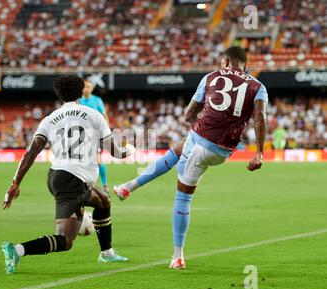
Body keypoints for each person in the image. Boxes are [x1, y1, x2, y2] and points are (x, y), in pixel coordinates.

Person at [114, 46, 268, 269]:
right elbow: (260, 117)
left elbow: (188, 114)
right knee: (177, 149)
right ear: (245, 63)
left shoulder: (211, 77)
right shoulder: (258, 86)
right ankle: (128, 187)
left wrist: (201, 122)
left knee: (183, 196)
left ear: (225, 61)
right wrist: (259, 152)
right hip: (223, 150)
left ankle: (178, 256)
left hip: (200, 144)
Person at [1, 75, 133, 275]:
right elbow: (114, 151)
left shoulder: (50, 119)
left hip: (60, 176)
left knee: (103, 201)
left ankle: (107, 253)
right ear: (81, 91)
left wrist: (15, 183)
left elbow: (31, 153)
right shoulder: (94, 115)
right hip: (72, 182)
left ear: (59, 94)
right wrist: (128, 150)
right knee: (65, 241)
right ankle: (17, 250)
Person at [79, 79, 110, 193]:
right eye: (85, 86)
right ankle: (89, 185)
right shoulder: (78, 101)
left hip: (95, 134)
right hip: (81, 135)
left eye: (89, 86)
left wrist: (107, 131)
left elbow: (104, 115)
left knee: (97, 160)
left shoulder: (97, 100)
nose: (87, 88)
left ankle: (104, 185)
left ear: (92, 88)